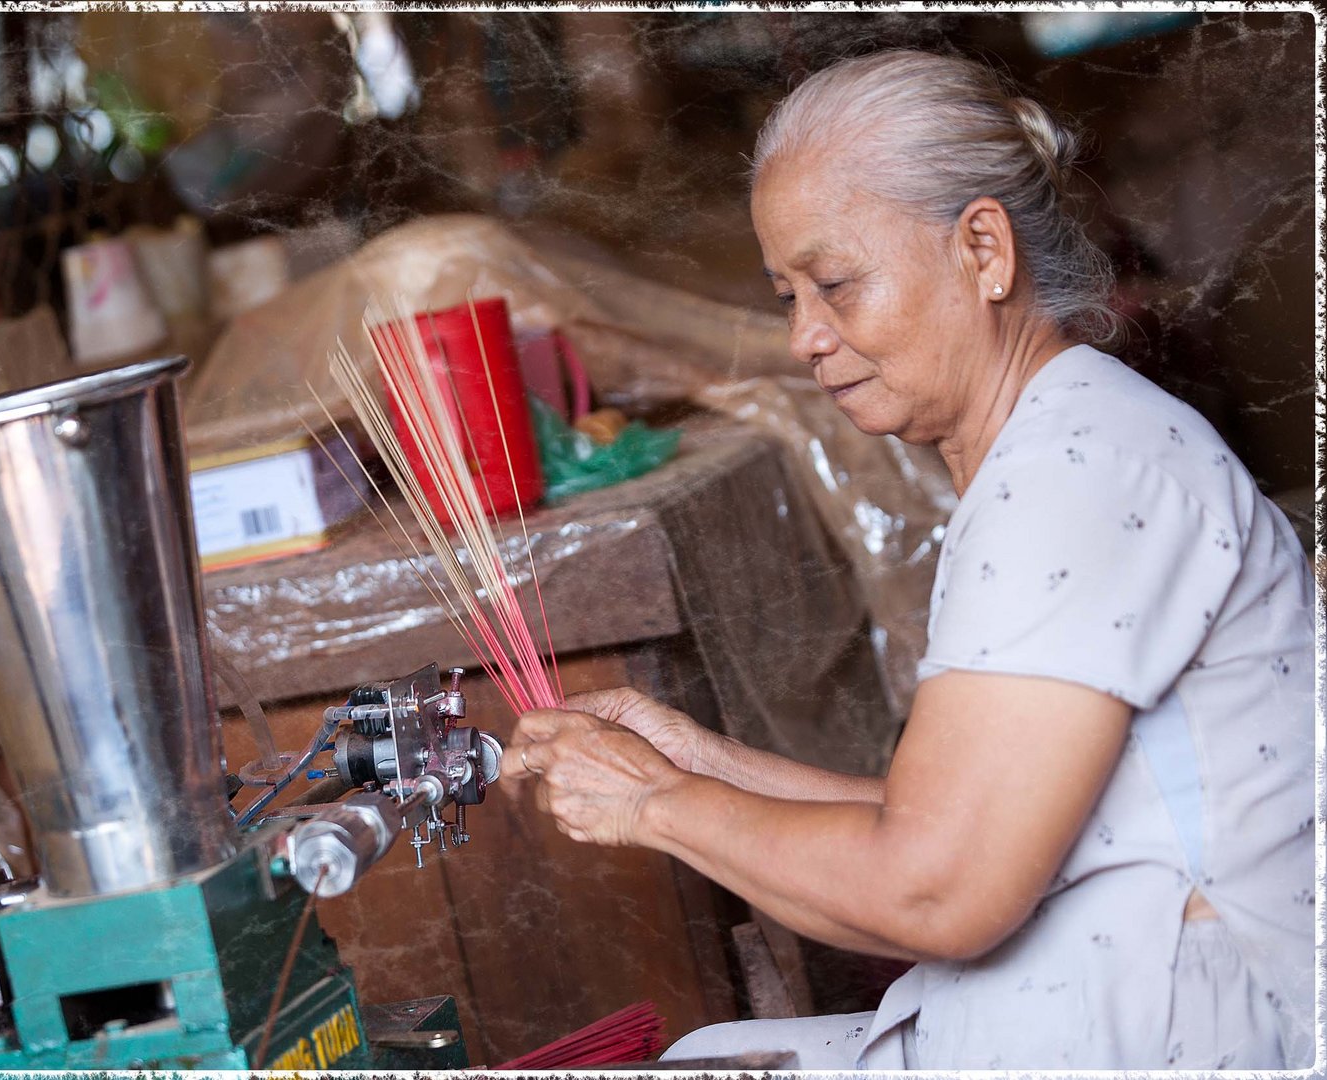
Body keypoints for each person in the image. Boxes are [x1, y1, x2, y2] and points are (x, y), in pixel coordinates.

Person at [509, 50, 1314, 1070]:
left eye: (837, 284)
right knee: (710, 1046)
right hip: (1128, 1013)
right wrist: (689, 761)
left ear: (984, 249)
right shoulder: (1058, 445)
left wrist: (649, 804)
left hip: (1190, 1035)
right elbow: (939, 825)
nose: (805, 337)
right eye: (788, 295)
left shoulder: (1080, 472)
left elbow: (936, 888)